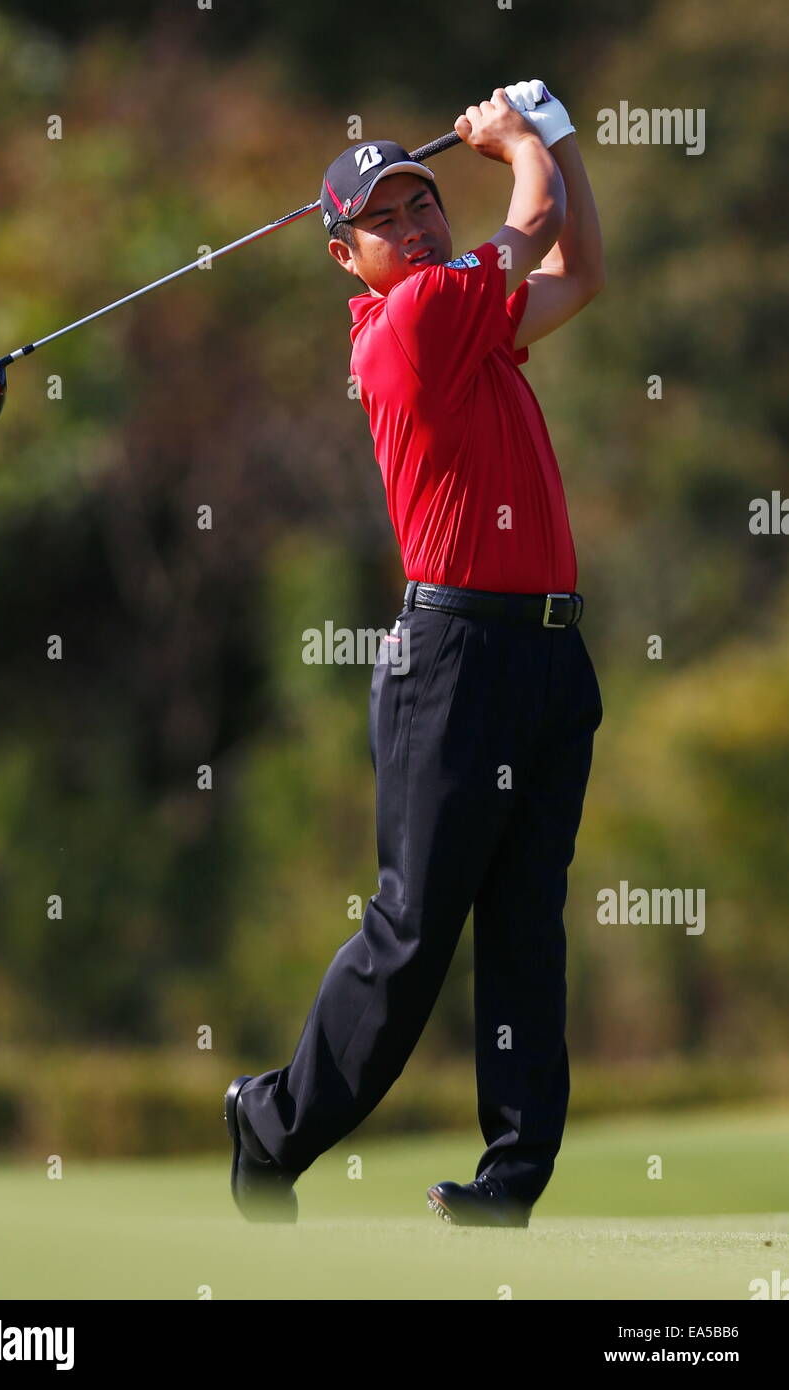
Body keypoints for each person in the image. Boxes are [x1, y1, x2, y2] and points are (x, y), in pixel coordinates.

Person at [225, 80, 606, 1227]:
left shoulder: (468, 324)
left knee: (525, 932)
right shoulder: (410, 327)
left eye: (425, 203)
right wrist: (518, 144)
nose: (418, 224)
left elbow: (578, 272)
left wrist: (559, 144)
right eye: (386, 218)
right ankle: (271, 1122)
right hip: (450, 664)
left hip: (545, 657)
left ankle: (508, 1182)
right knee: (408, 935)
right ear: (346, 255)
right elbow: (529, 226)